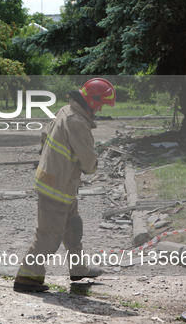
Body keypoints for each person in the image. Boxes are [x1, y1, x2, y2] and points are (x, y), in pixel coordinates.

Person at [14, 78, 116, 293]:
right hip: (57, 188)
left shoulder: (65, 111)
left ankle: (79, 269)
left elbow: (44, 140)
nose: (100, 108)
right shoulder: (77, 122)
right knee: (49, 234)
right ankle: (27, 278)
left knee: (73, 228)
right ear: (92, 101)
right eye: (101, 104)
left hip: (60, 182)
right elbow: (89, 165)